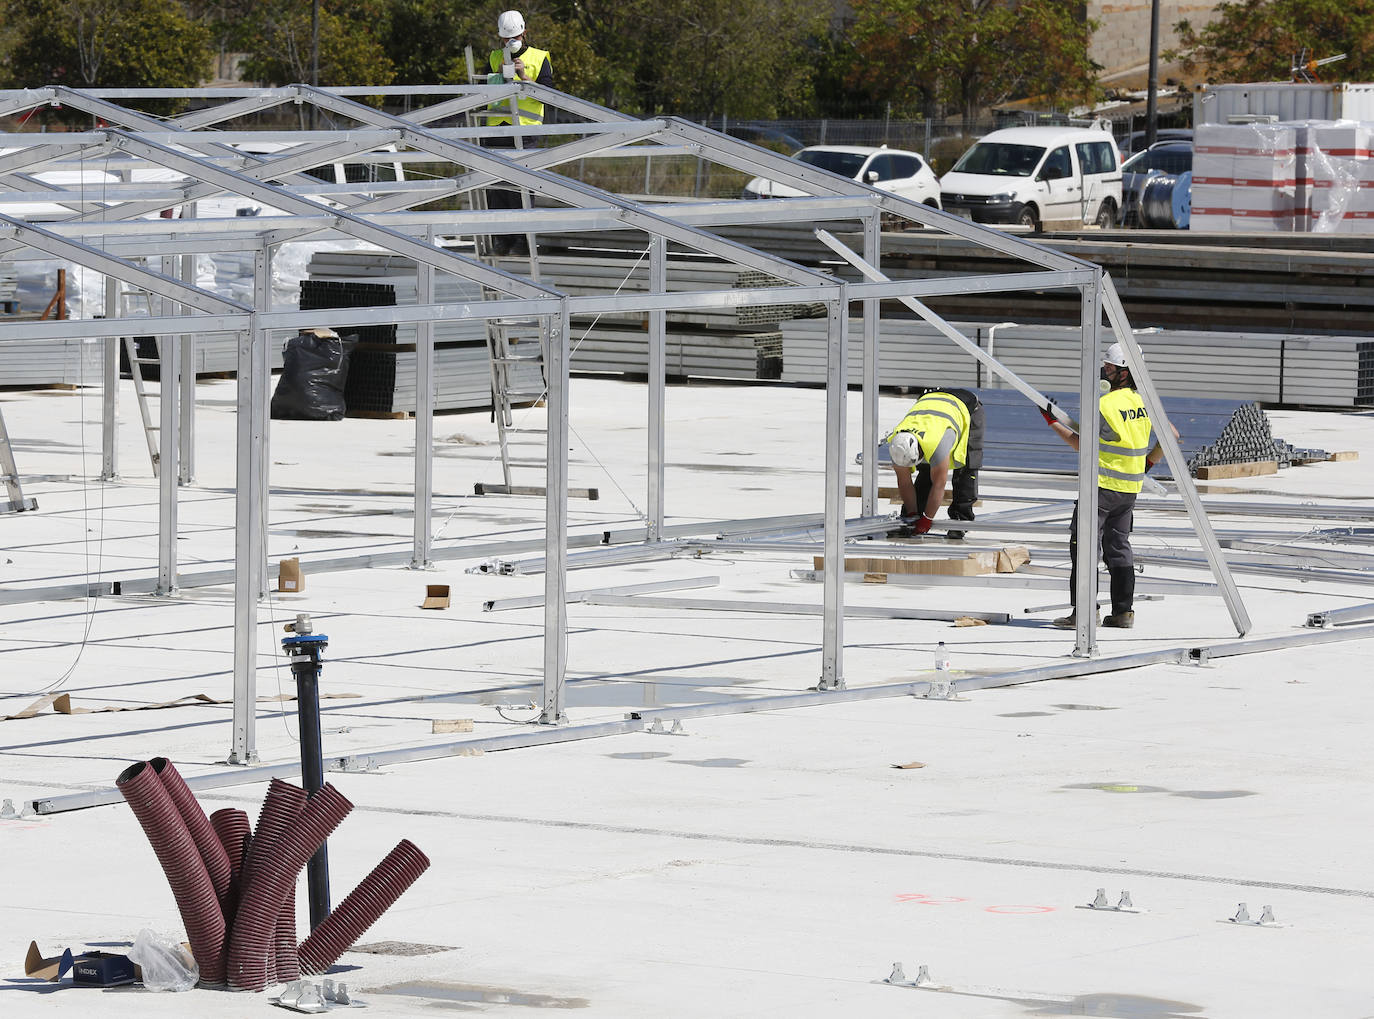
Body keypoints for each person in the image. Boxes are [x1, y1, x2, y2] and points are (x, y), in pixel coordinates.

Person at [1042, 343, 1170, 629]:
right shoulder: (1143, 401)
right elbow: (1170, 435)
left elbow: (1080, 443)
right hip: (1128, 492)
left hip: (1099, 489)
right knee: (1118, 547)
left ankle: (1083, 614)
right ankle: (1123, 612)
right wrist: (1145, 465)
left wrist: (1052, 421)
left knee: (1083, 547)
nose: (1105, 371)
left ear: (1125, 372)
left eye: (1110, 367)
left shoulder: (1104, 404)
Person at [484, 10, 554, 255]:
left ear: (524, 33)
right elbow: (483, 88)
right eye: (505, 39)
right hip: (497, 127)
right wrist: (499, 77)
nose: (510, 42)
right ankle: (502, 239)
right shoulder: (495, 57)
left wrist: (524, 76)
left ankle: (523, 239)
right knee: (495, 186)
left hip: (525, 128)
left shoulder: (539, 57)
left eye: (513, 37)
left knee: (520, 186)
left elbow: (549, 93)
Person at [885, 387, 984, 539]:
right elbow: (904, 482)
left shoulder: (937, 443)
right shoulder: (897, 444)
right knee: (926, 470)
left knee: (966, 467)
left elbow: (939, 484)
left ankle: (961, 518)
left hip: (966, 405)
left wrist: (927, 519)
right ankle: (913, 514)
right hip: (930, 401)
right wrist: (912, 514)